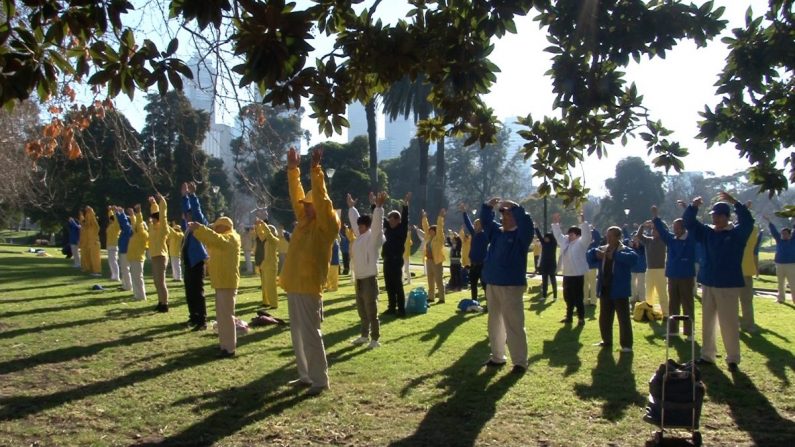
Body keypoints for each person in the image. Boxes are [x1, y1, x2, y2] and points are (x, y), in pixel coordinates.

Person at [280, 147, 339, 396]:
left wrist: (316, 169)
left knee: (311, 334)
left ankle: (320, 380)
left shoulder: (326, 228)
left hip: (309, 287)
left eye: (309, 205)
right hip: (294, 284)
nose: (304, 207)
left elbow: (323, 201)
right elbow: (296, 196)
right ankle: (305, 375)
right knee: (298, 334)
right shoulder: (304, 222)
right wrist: (293, 170)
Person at [683, 192, 753, 372]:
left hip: (728, 284)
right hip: (708, 282)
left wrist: (735, 202)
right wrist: (693, 207)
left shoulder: (737, 234)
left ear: (726, 217)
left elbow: (748, 222)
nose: (715, 218)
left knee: (728, 323)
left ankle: (733, 358)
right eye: (713, 215)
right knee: (707, 321)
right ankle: (707, 355)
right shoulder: (707, 232)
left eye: (718, 215)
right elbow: (689, 223)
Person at [480, 198, 534, 374]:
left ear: (515, 217)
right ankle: (497, 356)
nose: (503, 217)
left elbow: (527, 222)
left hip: (511, 285)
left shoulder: (521, 236)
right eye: (501, 213)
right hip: (493, 283)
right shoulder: (497, 233)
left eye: (507, 214)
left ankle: (520, 362)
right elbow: (486, 221)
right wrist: (488, 207)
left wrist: (515, 207)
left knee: (514, 324)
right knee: (494, 323)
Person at [189, 216, 241, 358]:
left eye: (217, 227)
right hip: (221, 282)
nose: (215, 229)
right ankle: (224, 345)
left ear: (224, 227)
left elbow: (215, 240)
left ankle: (229, 348)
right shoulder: (223, 239)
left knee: (227, 316)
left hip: (227, 282)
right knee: (222, 317)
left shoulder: (231, 238)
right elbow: (211, 242)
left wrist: (200, 229)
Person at [587, 227, 638, 352]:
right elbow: (588, 256)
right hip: (605, 288)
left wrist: (614, 255)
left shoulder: (625, 250)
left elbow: (633, 259)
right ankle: (606, 340)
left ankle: (626, 345)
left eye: (611, 236)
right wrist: (594, 254)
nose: (608, 238)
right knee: (604, 317)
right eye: (607, 236)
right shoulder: (603, 249)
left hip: (619, 290)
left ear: (618, 237)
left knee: (623, 318)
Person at [347, 191, 386, 347]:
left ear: (367, 226)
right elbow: (354, 221)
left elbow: (377, 224)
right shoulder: (360, 237)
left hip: (369, 279)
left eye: (361, 226)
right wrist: (351, 208)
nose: (358, 228)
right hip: (359, 279)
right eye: (358, 226)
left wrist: (378, 208)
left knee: (371, 311)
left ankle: (375, 339)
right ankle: (364, 336)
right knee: (362, 310)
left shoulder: (373, 237)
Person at [651, 205, 696, 339]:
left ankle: (689, 332)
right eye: (674, 228)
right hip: (672, 276)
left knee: (687, 304)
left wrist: (689, 209)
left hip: (686, 276)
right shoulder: (671, 239)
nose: (674, 230)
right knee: (673, 304)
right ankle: (673, 330)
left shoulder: (690, 240)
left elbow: (693, 226)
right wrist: (655, 217)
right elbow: (663, 231)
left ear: (683, 229)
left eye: (677, 228)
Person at [552, 212, 592, 325]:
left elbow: (587, 235)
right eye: (569, 234)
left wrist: (582, 223)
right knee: (568, 298)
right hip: (567, 275)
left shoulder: (581, 243)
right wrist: (555, 224)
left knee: (578, 298)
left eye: (573, 234)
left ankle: (581, 318)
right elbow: (558, 235)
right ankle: (569, 317)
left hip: (578, 275)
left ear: (578, 235)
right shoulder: (565, 242)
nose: (570, 236)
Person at [181, 182, 209, 330]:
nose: (186, 217)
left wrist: (191, 195)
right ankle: (193, 317)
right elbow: (187, 210)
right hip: (188, 262)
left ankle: (202, 320)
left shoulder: (199, 224)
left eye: (188, 215)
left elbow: (196, 210)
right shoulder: (187, 227)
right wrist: (184, 197)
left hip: (197, 262)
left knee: (198, 292)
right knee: (189, 291)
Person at [382, 192, 410, 316]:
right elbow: (380, 218)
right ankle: (391, 307)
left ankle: (401, 309)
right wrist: (375, 204)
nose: (390, 222)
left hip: (396, 260)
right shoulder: (388, 226)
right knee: (389, 285)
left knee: (397, 285)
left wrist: (405, 205)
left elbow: (405, 219)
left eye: (392, 220)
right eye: (389, 220)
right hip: (387, 260)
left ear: (397, 220)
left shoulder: (401, 228)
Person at [148, 194, 172, 312]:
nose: (151, 219)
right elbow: (155, 212)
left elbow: (163, 215)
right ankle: (160, 301)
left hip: (161, 256)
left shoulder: (163, 228)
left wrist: (162, 201)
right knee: (156, 281)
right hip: (154, 255)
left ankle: (165, 304)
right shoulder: (152, 228)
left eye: (153, 218)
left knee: (161, 281)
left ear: (157, 219)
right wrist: (153, 203)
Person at [766, 215, 795, 304]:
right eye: (782, 234)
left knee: (793, 283)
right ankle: (781, 299)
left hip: (791, 265)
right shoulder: (779, 240)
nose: (783, 235)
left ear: (789, 234)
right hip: (779, 265)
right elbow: (774, 231)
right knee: (780, 283)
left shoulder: (793, 240)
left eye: (785, 233)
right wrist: (769, 221)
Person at [462, 204, 488, 301]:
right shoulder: (474, 233)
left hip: (482, 265)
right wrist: (464, 212)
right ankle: (474, 303)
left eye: (478, 224)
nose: (475, 226)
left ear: (482, 226)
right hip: (473, 264)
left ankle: (488, 305)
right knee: (473, 285)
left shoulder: (485, 235)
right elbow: (468, 223)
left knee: (485, 286)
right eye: (475, 224)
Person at [422, 208, 447, 303]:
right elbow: (425, 226)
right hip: (429, 260)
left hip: (437, 261)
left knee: (438, 280)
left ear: (435, 231)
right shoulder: (428, 237)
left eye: (432, 230)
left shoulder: (439, 238)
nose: (429, 231)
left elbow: (440, 228)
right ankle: (431, 297)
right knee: (430, 279)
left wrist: (440, 217)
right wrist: (424, 217)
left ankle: (441, 298)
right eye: (430, 230)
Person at [255, 218, 280, 309]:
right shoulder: (266, 240)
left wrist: (263, 224)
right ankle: (266, 302)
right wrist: (258, 225)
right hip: (265, 264)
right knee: (265, 286)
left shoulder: (274, 240)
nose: (264, 233)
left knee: (271, 286)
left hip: (271, 265)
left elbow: (268, 234)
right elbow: (260, 234)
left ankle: (274, 304)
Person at [127, 204, 149, 301]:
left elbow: (138, 223)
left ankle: (141, 296)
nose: (134, 227)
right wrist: (132, 215)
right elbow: (134, 224)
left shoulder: (143, 234)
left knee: (138, 277)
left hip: (138, 258)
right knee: (135, 277)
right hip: (133, 257)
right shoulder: (136, 234)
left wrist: (138, 213)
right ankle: (137, 295)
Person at [534, 228, 558, 301]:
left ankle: (555, 296)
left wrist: (555, 228)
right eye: (544, 238)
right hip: (544, 264)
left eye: (546, 238)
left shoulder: (554, 244)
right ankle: (544, 296)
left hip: (552, 264)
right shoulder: (543, 243)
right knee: (544, 281)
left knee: (553, 280)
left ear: (550, 238)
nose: (544, 239)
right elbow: (539, 236)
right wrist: (536, 228)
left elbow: (555, 235)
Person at [115, 207, 133, 291]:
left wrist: (122, 213)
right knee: (123, 269)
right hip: (123, 251)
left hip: (126, 251)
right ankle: (125, 285)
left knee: (125, 269)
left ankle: (128, 286)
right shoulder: (124, 231)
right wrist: (117, 213)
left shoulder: (128, 229)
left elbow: (124, 223)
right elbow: (121, 222)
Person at [81, 206, 102, 276]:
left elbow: (92, 219)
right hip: (90, 243)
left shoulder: (95, 226)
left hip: (95, 243)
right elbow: (85, 221)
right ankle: (92, 269)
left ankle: (97, 271)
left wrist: (90, 210)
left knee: (95, 258)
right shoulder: (88, 226)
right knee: (90, 257)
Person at [584, 227, 602, 306]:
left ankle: (593, 301)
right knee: (584, 285)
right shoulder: (583, 245)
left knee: (593, 284)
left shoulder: (594, 245)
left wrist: (593, 230)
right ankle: (585, 300)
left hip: (592, 268)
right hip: (584, 268)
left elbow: (598, 238)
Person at [629, 234, 647, 304]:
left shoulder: (643, 246)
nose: (635, 239)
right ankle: (633, 297)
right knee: (632, 283)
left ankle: (641, 298)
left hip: (641, 267)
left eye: (637, 238)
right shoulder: (631, 247)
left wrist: (637, 245)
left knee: (641, 284)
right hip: (633, 268)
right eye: (634, 238)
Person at [106, 206, 121, 282]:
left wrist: (115, 212)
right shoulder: (111, 226)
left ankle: (117, 276)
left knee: (114, 261)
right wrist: (110, 211)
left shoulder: (116, 226)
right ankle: (113, 275)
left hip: (114, 245)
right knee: (110, 261)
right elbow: (111, 217)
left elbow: (115, 220)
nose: (109, 220)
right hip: (109, 245)